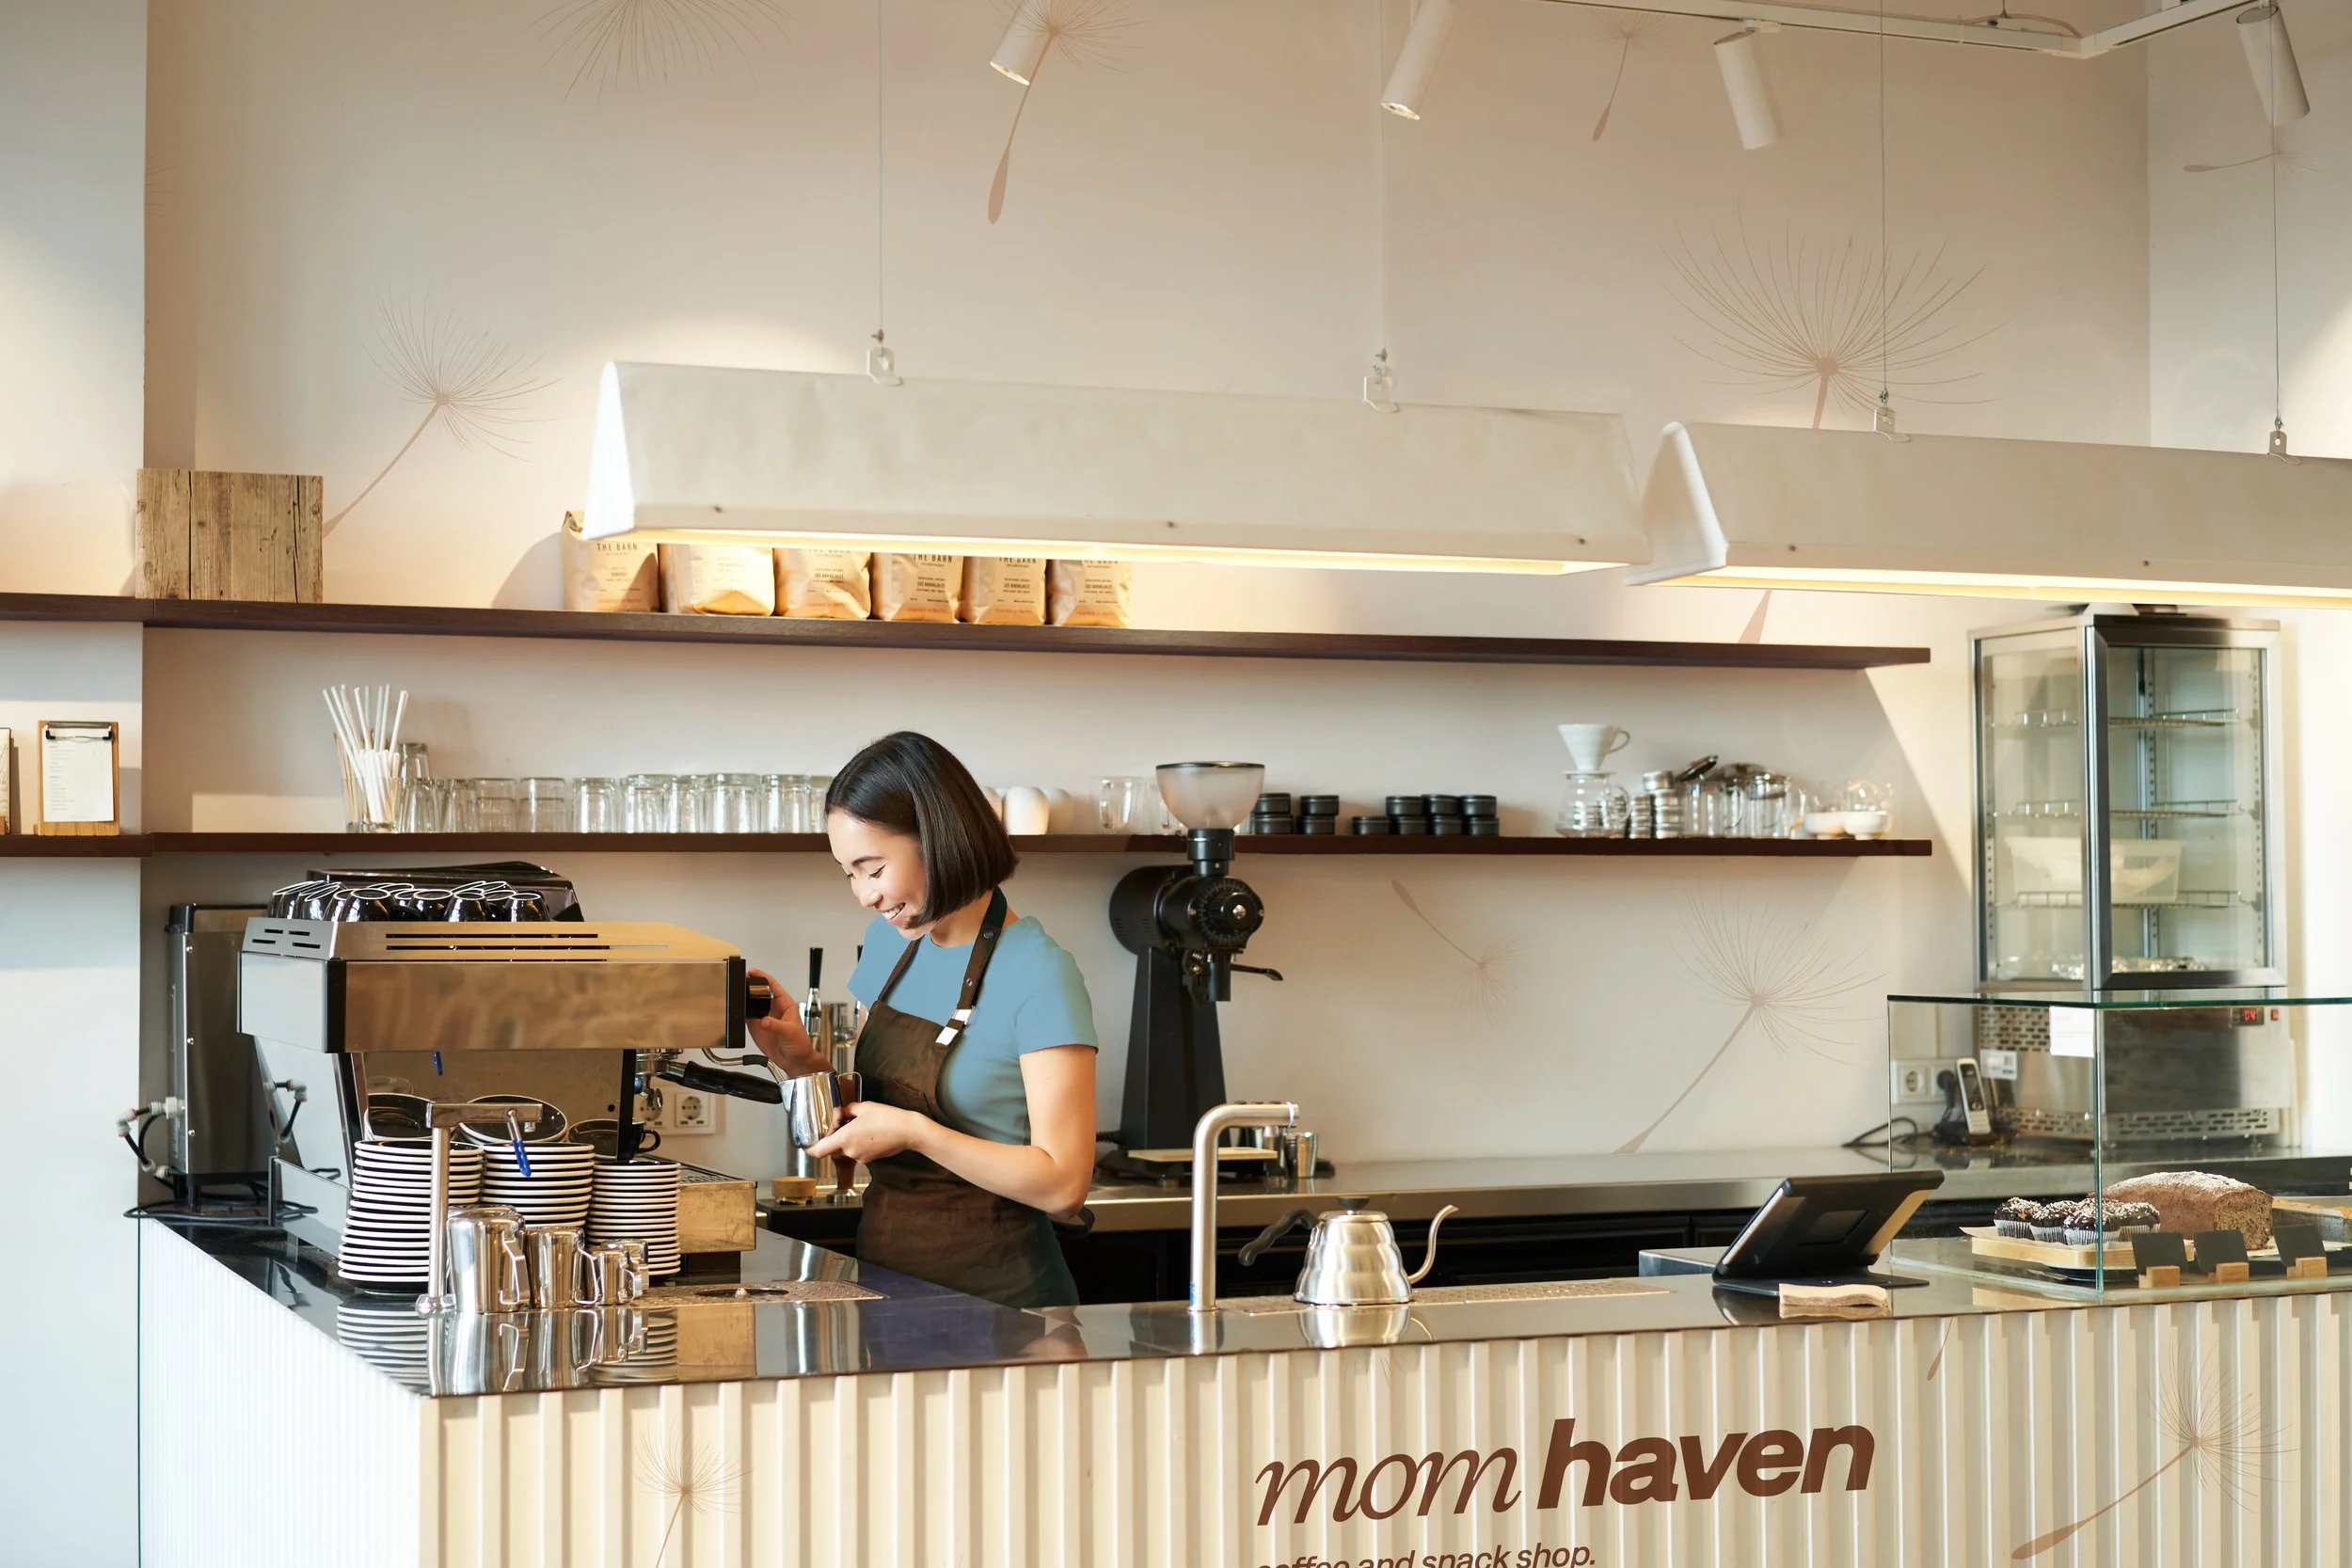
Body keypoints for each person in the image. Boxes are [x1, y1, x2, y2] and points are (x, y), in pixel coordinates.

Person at [747, 731, 1099, 1307]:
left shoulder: (1038, 972)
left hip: (1006, 1307)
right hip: (888, 1285)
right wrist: (796, 1058)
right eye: (849, 874)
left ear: (939, 840)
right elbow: (874, 1107)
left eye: (873, 868)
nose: (864, 895)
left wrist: (918, 1133)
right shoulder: (889, 944)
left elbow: (1063, 1186)